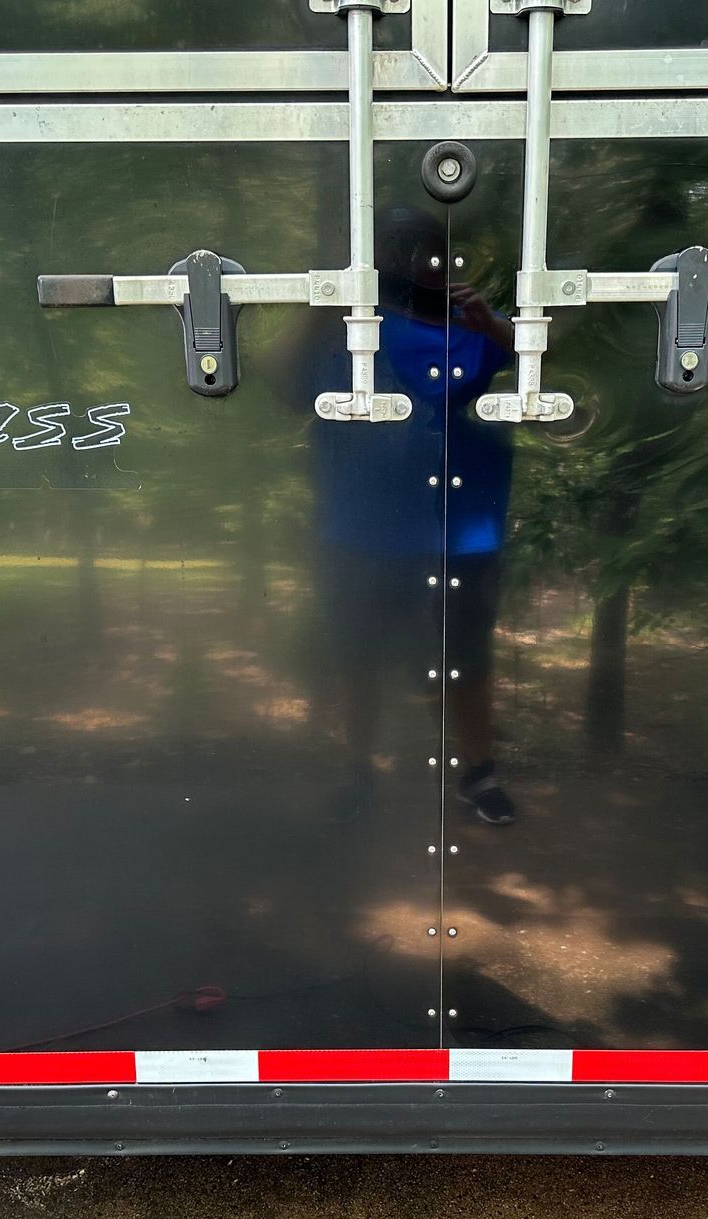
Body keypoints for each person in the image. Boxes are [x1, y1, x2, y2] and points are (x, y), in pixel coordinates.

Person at [304, 207, 518, 824]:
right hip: (358, 529)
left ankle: (479, 775)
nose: (409, 262)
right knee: (356, 658)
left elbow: (559, 361)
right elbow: (277, 386)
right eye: (394, 250)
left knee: (464, 661)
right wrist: (322, 301)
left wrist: (489, 321)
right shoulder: (341, 329)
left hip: (460, 532)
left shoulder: (469, 327)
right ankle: (358, 775)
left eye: (423, 250)